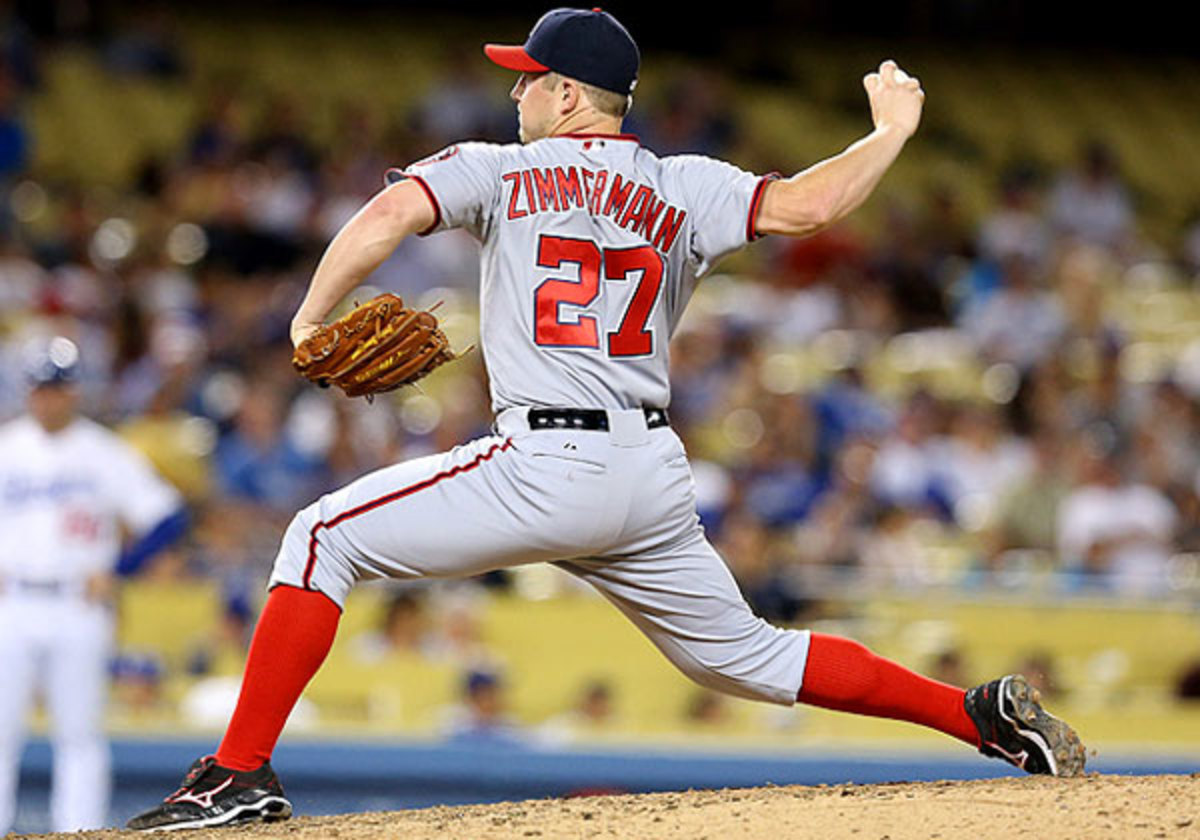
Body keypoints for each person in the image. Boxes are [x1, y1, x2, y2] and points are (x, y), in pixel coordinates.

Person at [128, 9, 1084, 831]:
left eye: (530, 79)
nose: (515, 95)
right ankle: (978, 715)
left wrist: (307, 315)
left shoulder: (500, 169)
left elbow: (388, 215)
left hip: (546, 459)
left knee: (319, 535)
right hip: (648, 472)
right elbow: (806, 207)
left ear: (571, 97)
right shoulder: (685, 184)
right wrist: (890, 133)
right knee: (748, 656)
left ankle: (238, 775)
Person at [0, 337, 186, 833]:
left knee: (79, 736)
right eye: (41, 387)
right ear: (28, 390)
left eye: (58, 387)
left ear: (74, 391)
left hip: (78, 603)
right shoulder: (7, 447)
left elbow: (168, 516)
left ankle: (77, 833)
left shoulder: (102, 451)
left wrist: (121, 568)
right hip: (12, 602)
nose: (49, 397)